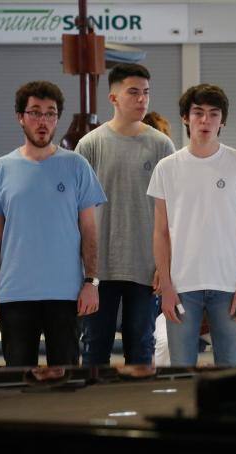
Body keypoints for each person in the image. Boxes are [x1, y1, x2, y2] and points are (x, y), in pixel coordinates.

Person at [0, 81, 107, 367]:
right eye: (35, 112)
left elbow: (89, 231)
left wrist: (92, 282)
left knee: (66, 380)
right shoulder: (1, 169)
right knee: (18, 381)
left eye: (50, 113)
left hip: (66, 293)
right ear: (20, 117)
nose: (43, 121)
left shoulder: (77, 166)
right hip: (15, 293)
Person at [149, 83, 236, 367]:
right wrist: (166, 286)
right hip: (181, 286)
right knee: (181, 372)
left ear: (222, 121)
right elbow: (161, 232)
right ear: (186, 118)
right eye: (198, 113)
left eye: (214, 114)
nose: (205, 120)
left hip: (228, 285)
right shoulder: (167, 167)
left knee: (229, 372)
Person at [75, 63, 175, 366]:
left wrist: (164, 265)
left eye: (146, 93)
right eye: (133, 92)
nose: (142, 99)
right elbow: (78, 212)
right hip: (99, 270)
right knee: (95, 349)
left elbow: (171, 212)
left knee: (141, 348)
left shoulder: (162, 145)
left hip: (145, 267)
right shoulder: (90, 144)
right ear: (113, 97)